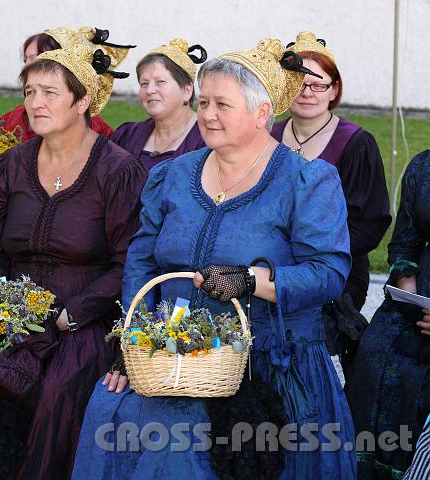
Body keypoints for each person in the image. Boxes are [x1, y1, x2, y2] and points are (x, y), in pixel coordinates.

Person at [73, 38, 356, 479]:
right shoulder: (172, 174)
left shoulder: (308, 181)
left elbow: (328, 273)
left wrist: (252, 280)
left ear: (262, 113)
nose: (206, 115)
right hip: (172, 358)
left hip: (269, 363)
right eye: (203, 102)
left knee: (187, 451)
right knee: (110, 408)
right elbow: (142, 262)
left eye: (222, 104)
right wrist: (136, 341)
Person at [0, 45, 147, 479]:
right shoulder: (9, 166)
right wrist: (1, 303)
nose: (35, 103)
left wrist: (69, 316)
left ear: (83, 101)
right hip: (11, 314)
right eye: (29, 91)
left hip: (78, 321)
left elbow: (128, 262)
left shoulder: (117, 171)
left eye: (49, 92)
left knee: (54, 393)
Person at [271, 32, 391, 311]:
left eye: (318, 85)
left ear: (334, 90)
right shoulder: (267, 137)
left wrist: (309, 256)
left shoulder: (356, 143)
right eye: (298, 84)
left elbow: (370, 222)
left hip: (337, 266)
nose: (307, 93)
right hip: (269, 260)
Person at [344, 149, 430, 479]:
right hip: (420, 298)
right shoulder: (422, 166)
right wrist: (409, 287)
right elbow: (405, 242)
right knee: (374, 351)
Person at [0, 26, 134, 142]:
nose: (26, 67)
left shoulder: (95, 131)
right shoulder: (10, 121)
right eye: (26, 60)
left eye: (37, 59)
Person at [111, 38, 207, 171]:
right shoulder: (127, 136)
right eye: (144, 83)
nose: (150, 90)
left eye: (160, 82)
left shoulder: (207, 140)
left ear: (187, 90)